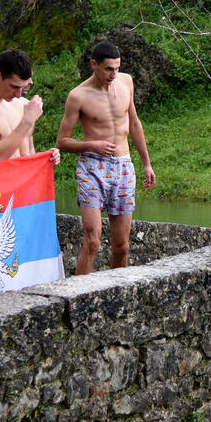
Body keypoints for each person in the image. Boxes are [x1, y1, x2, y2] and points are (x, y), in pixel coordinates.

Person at [56, 41, 156, 274]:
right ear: (94, 65)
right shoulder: (78, 96)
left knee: (122, 246)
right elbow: (62, 141)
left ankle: (114, 294)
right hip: (92, 167)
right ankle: (80, 296)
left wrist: (147, 163)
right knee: (93, 241)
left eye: (117, 68)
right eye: (109, 69)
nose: (114, 74)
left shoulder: (126, 82)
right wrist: (92, 145)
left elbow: (134, 122)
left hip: (123, 166)